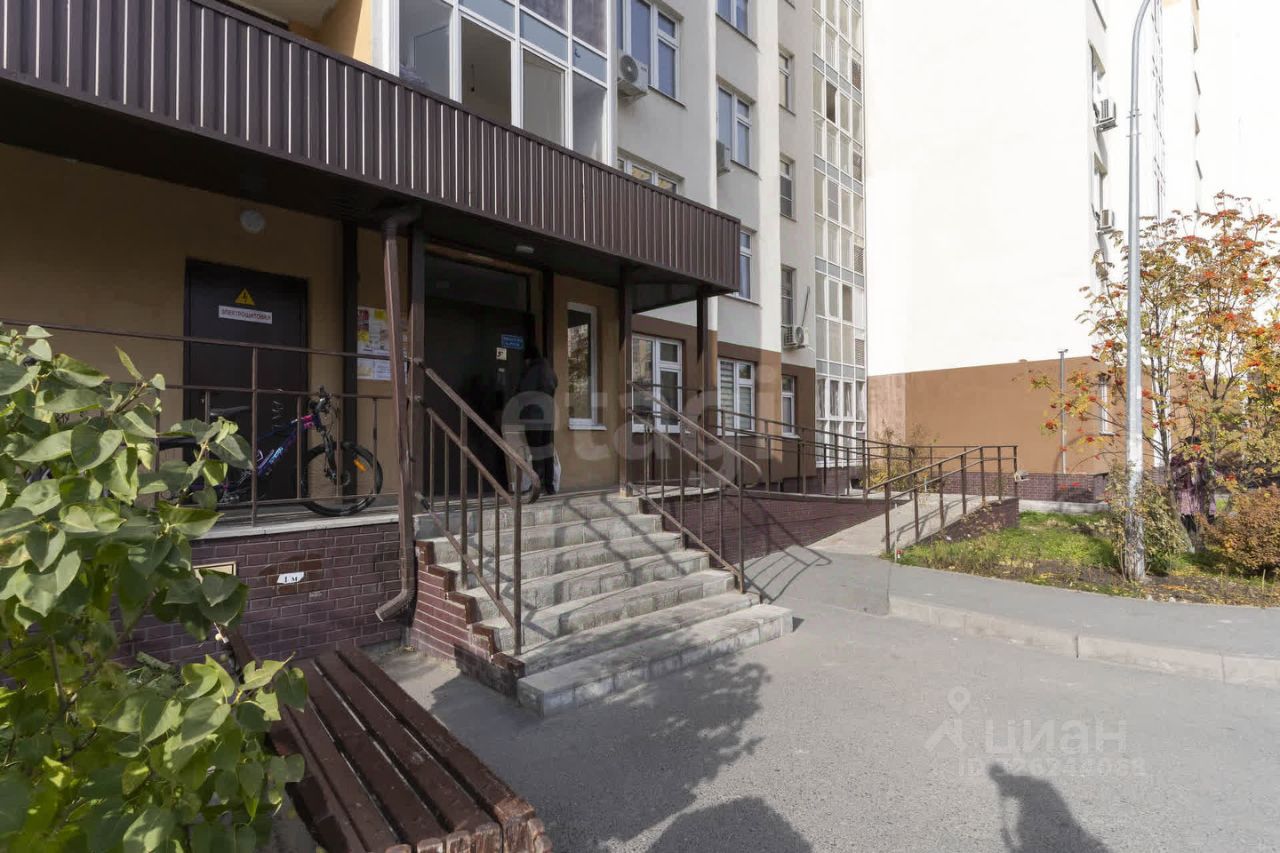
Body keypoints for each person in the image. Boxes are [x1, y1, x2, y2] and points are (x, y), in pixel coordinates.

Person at [516, 345, 558, 495]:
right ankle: (549, 486)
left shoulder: (533, 371)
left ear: (529, 358)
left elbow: (523, 392)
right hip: (548, 415)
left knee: (537, 451)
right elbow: (555, 385)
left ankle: (537, 485)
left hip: (534, 416)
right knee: (547, 450)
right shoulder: (549, 370)